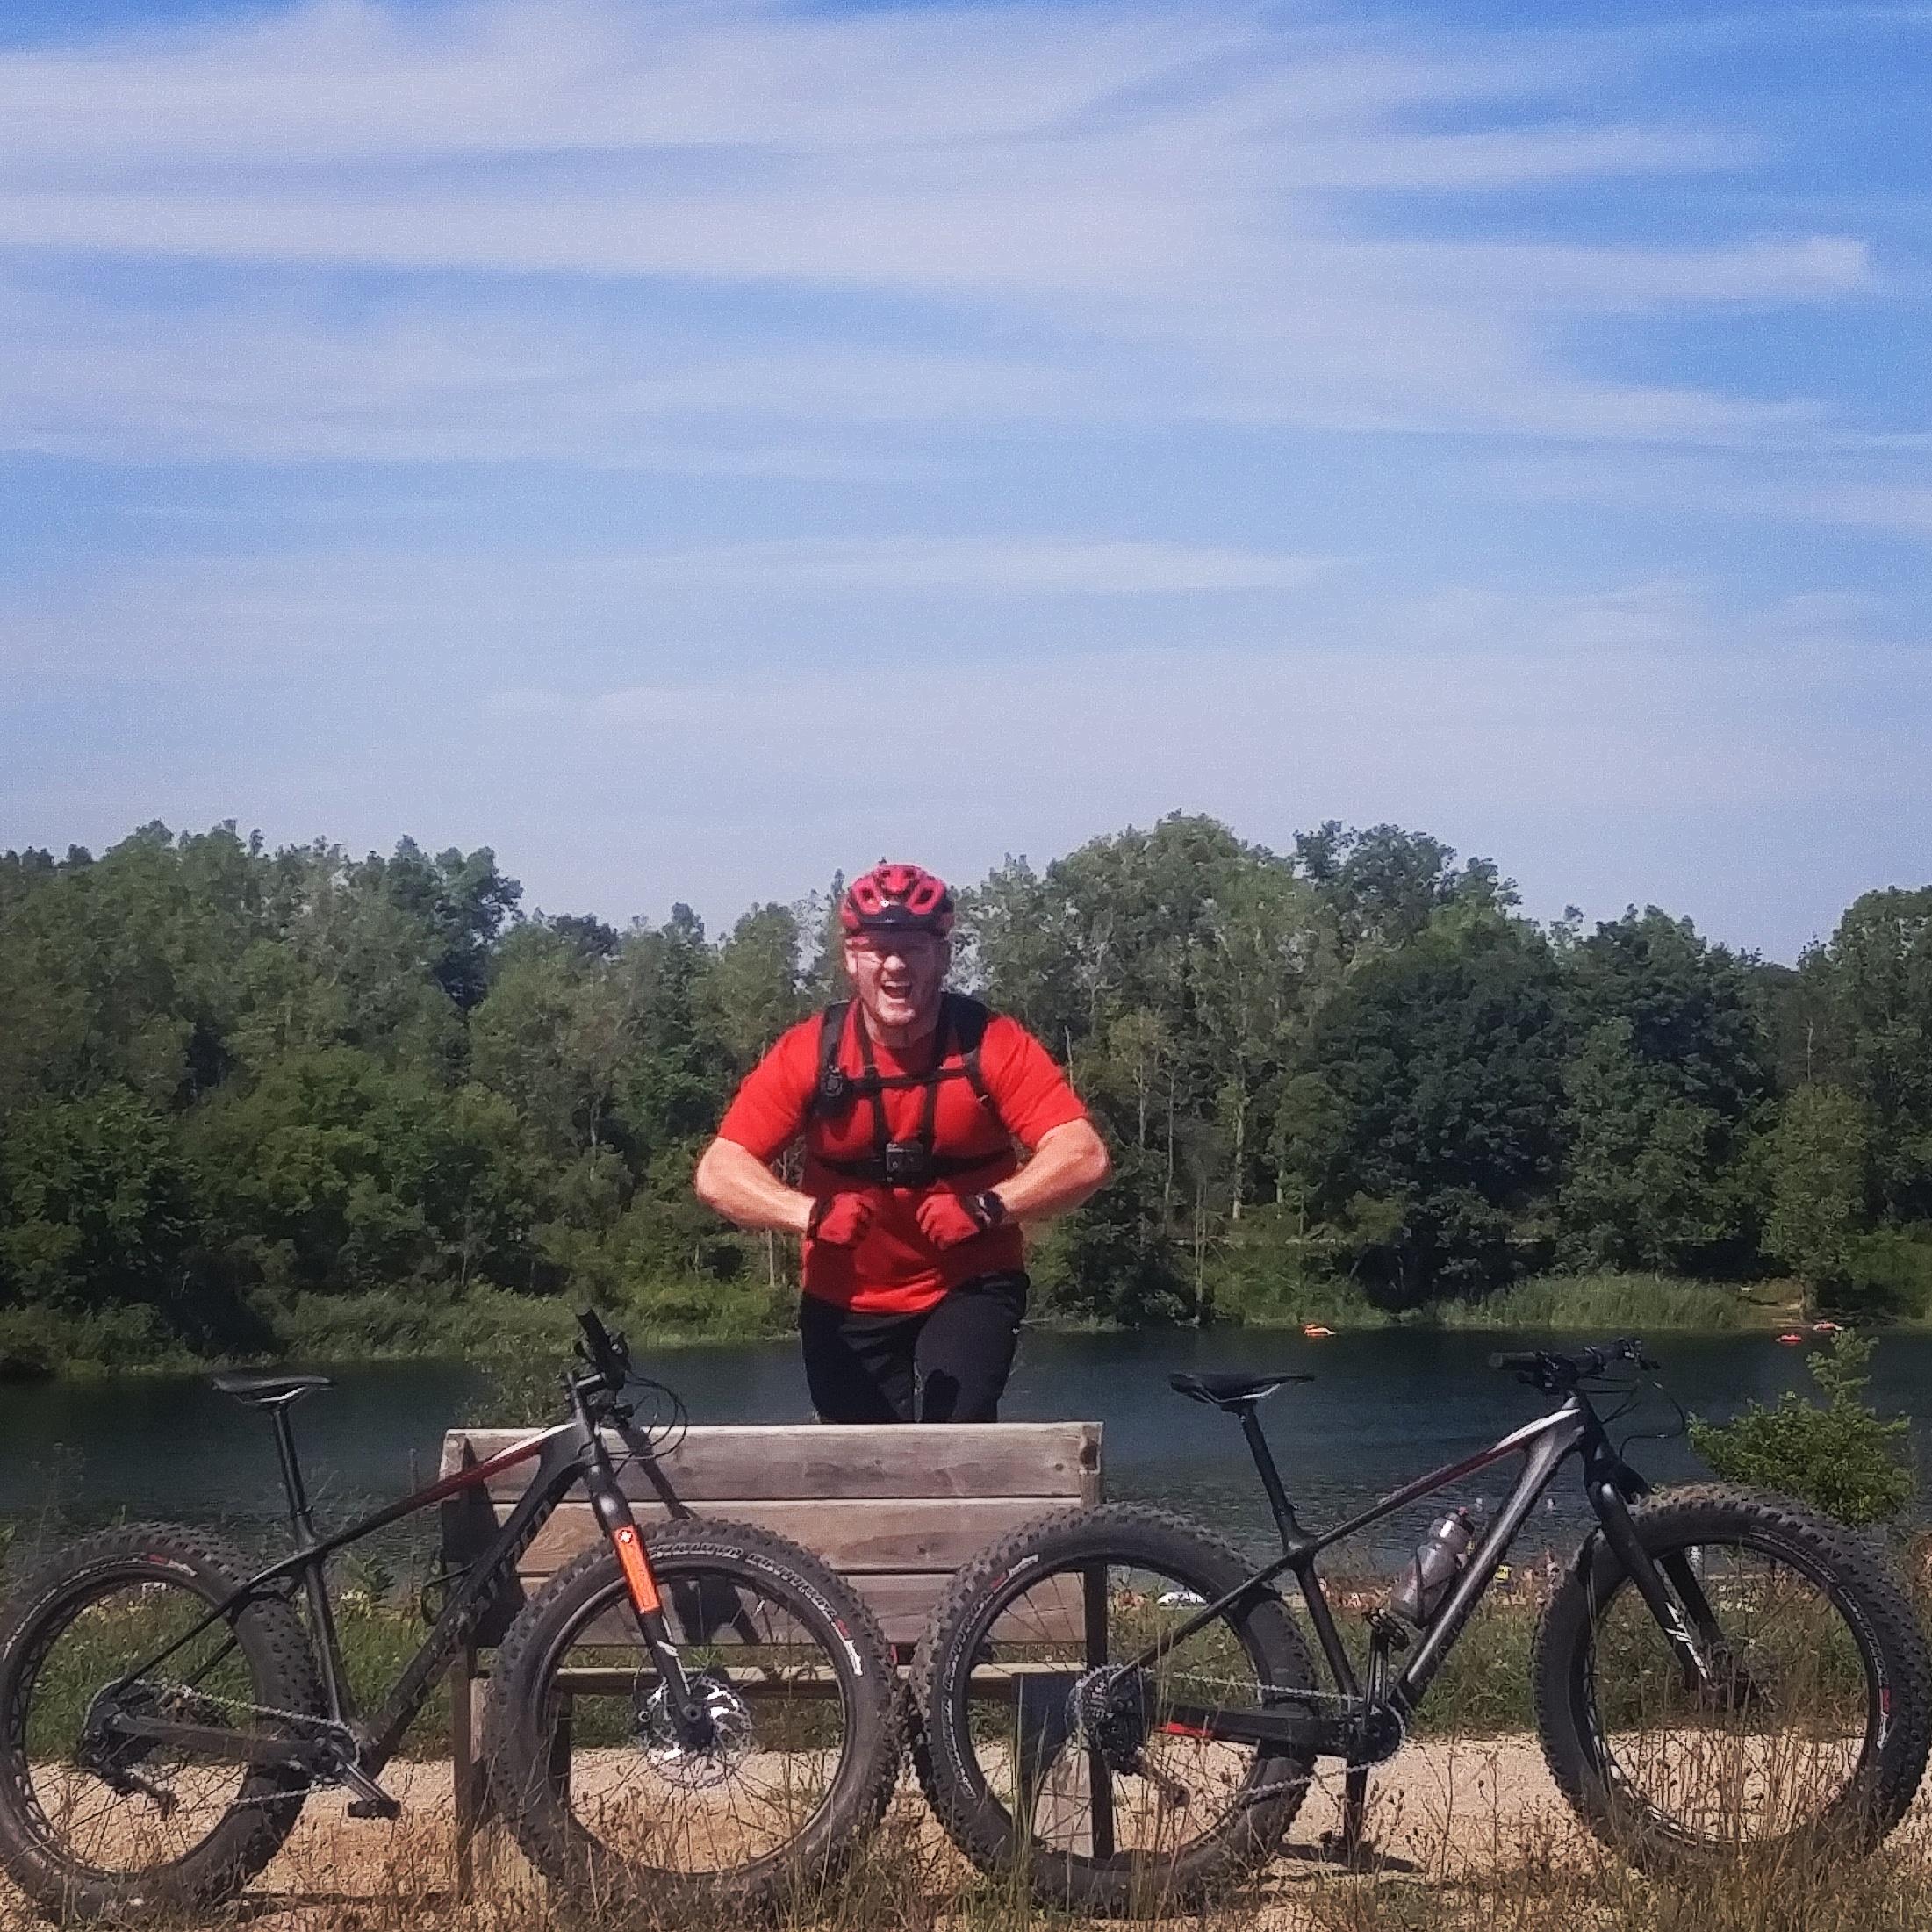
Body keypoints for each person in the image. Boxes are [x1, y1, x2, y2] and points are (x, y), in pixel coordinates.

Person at [694, 862, 1110, 1423]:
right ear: (850, 958)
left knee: (956, 1440)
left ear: (941, 956)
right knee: (862, 1471)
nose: (894, 965)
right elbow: (719, 1171)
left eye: (913, 948)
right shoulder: (810, 1052)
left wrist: (989, 1206)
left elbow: (1082, 1154)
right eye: (875, 948)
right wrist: (808, 1214)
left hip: (968, 1280)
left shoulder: (989, 1043)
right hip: (847, 1297)